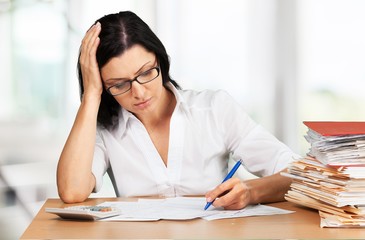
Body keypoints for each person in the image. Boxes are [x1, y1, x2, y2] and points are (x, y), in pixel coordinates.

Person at [57, 10, 299, 210]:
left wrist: (250, 192)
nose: (139, 93)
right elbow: (72, 191)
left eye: (146, 72)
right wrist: (91, 97)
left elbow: (298, 175)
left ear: (160, 61)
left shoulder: (214, 109)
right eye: (119, 84)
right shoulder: (102, 129)